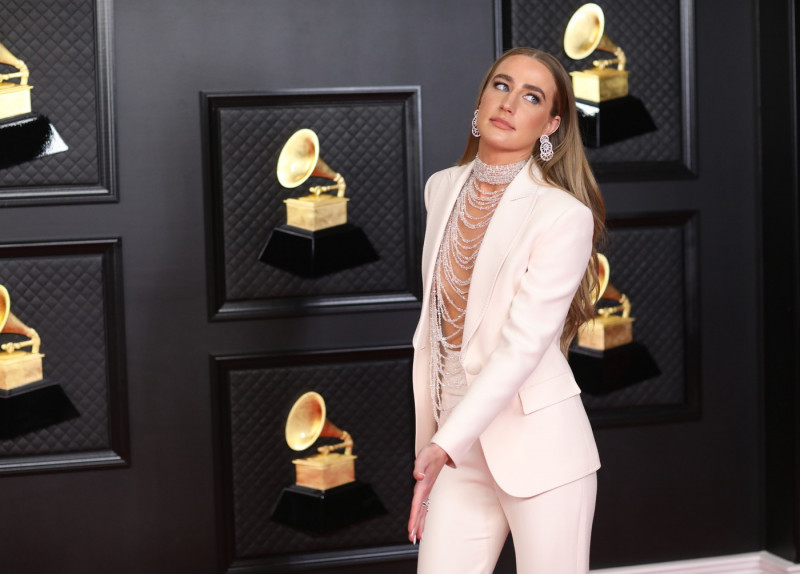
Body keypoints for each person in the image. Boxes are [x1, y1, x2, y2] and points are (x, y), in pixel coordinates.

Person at [406, 47, 606, 574]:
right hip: (458, 449)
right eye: (502, 85)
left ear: (552, 123)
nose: (510, 102)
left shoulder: (563, 216)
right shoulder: (441, 189)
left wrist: (443, 446)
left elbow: (521, 347)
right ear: (482, 98)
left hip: (541, 452)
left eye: (532, 96)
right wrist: (434, 450)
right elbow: (434, 333)